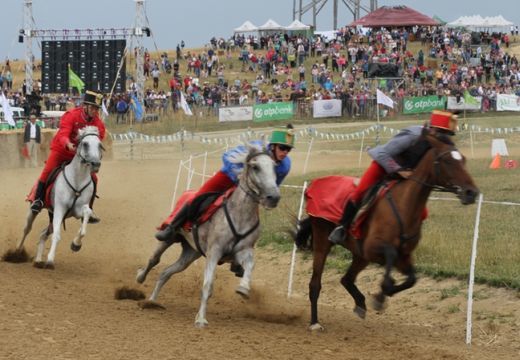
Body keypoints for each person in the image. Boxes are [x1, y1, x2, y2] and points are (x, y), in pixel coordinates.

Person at [329, 110, 458, 244]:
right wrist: (398, 170)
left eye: (448, 135)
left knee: (423, 212)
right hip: (382, 166)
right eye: (445, 134)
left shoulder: (437, 144)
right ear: (433, 129)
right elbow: (383, 153)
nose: (447, 138)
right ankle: (342, 227)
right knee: (359, 193)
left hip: (407, 176)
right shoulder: (413, 135)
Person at [155, 124, 295, 242]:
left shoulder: (285, 165)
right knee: (198, 196)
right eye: (282, 148)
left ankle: (239, 254)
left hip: (249, 189)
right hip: (227, 177)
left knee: (251, 218)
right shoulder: (254, 148)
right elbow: (227, 156)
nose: (285, 152)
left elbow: (274, 184)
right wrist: (238, 175)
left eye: (288, 149)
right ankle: (171, 227)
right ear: (273, 146)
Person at [30, 90, 106, 221]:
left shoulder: (97, 122)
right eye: (93, 108)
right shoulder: (71, 115)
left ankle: (89, 209)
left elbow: (101, 136)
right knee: (47, 172)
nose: (95, 111)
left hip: (80, 157)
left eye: (97, 108)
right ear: (85, 106)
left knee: (94, 179)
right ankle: (37, 200)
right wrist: (68, 144)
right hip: (61, 151)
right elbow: (63, 134)